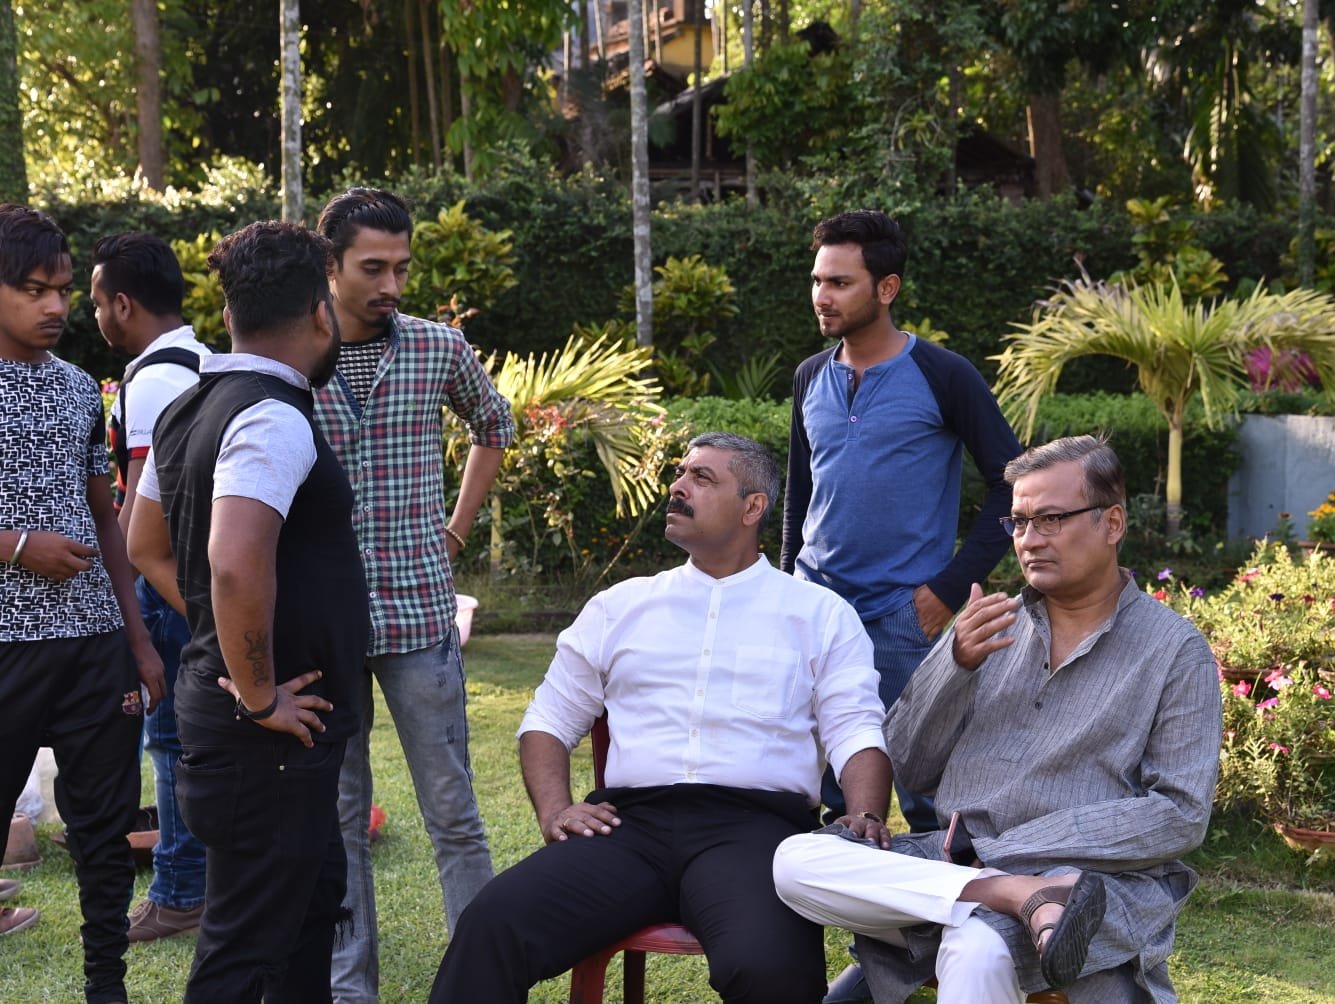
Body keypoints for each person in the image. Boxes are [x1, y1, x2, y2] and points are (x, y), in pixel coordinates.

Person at [430, 432, 892, 1004]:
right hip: (626, 830)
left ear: (753, 507)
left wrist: (864, 813)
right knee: (492, 924)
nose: (678, 486)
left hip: (756, 835)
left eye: (702, 478)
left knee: (770, 968)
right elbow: (547, 720)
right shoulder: (620, 606)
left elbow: (856, 729)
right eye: (680, 473)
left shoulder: (819, 614)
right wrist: (555, 810)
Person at [773, 435, 1223, 1004]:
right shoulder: (986, 625)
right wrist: (954, 667)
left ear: (1112, 523)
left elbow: (1180, 814)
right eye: (1020, 522)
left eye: (1051, 519)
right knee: (796, 861)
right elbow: (911, 766)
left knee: (977, 945)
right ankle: (1012, 895)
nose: (1029, 540)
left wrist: (1007, 850)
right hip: (950, 864)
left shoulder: (1174, 650)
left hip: (1089, 885)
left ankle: (1014, 895)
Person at [127, 220, 368, 1002]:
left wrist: (224, 638)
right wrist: (259, 690)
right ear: (322, 313)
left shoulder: (187, 407)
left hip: (252, 729)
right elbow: (232, 564)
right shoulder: (272, 416)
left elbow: (145, 545)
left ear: (229, 313)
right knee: (243, 948)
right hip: (264, 737)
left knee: (308, 911)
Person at [309, 188, 513, 1004]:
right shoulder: (294, 354)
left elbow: (495, 424)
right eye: (373, 268)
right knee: (340, 818)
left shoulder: (437, 347)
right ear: (330, 265)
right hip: (323, 625)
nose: (391, 284)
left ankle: (481, 982)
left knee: (454, 811)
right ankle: (348, 989)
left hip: (419, 613)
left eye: (401, 267)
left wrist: (454, 530)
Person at [781, 209, 1023, 838]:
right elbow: (799, 495)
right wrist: (783, 592)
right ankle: (832, 891)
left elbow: (1012, 482)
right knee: (820, 789)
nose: (822, 296)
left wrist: (947, 589)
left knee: (929, 799)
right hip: (816, 609)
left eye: (840, 283)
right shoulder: (809, 376)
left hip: (904, 615)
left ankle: (939, 901)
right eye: (817, 280)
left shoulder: (945, 375)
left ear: (886, 288)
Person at [0, 204, 166, 1002]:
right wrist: (17, 545)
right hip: (7, 645)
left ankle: (108, 988)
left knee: (103, 834)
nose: (56, 306)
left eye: (63, 290)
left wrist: (137, 639)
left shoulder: (77, 390)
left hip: (95, 642)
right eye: (34, 289)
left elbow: (106, 515)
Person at [92, 231, 213, 943]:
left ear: (123, 304)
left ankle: (178, 892)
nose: (93, 316)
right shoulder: (204, 360)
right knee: (196, 739)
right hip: (203, 579)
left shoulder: (151, 380)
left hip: (169, 586)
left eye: (95, 302)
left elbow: (140, 510)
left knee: (169, 742)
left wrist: (122, 603)